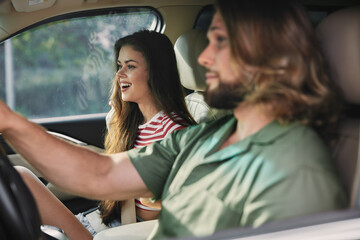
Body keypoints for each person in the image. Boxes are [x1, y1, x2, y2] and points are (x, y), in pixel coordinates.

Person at [0, 0, 348, 239]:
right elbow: (101, 173)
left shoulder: (293, 169)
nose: (205, 57)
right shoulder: (204, 137)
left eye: (221, 43)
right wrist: (10, 123)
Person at [16, 30, 196, 239]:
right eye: (119, 66)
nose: (119, 75)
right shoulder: (136, 124)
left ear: (157, 72)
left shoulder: (175, 132)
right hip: (103, 223)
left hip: (124, 233)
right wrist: (115, 127)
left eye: (130, 66)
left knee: (22, 178)